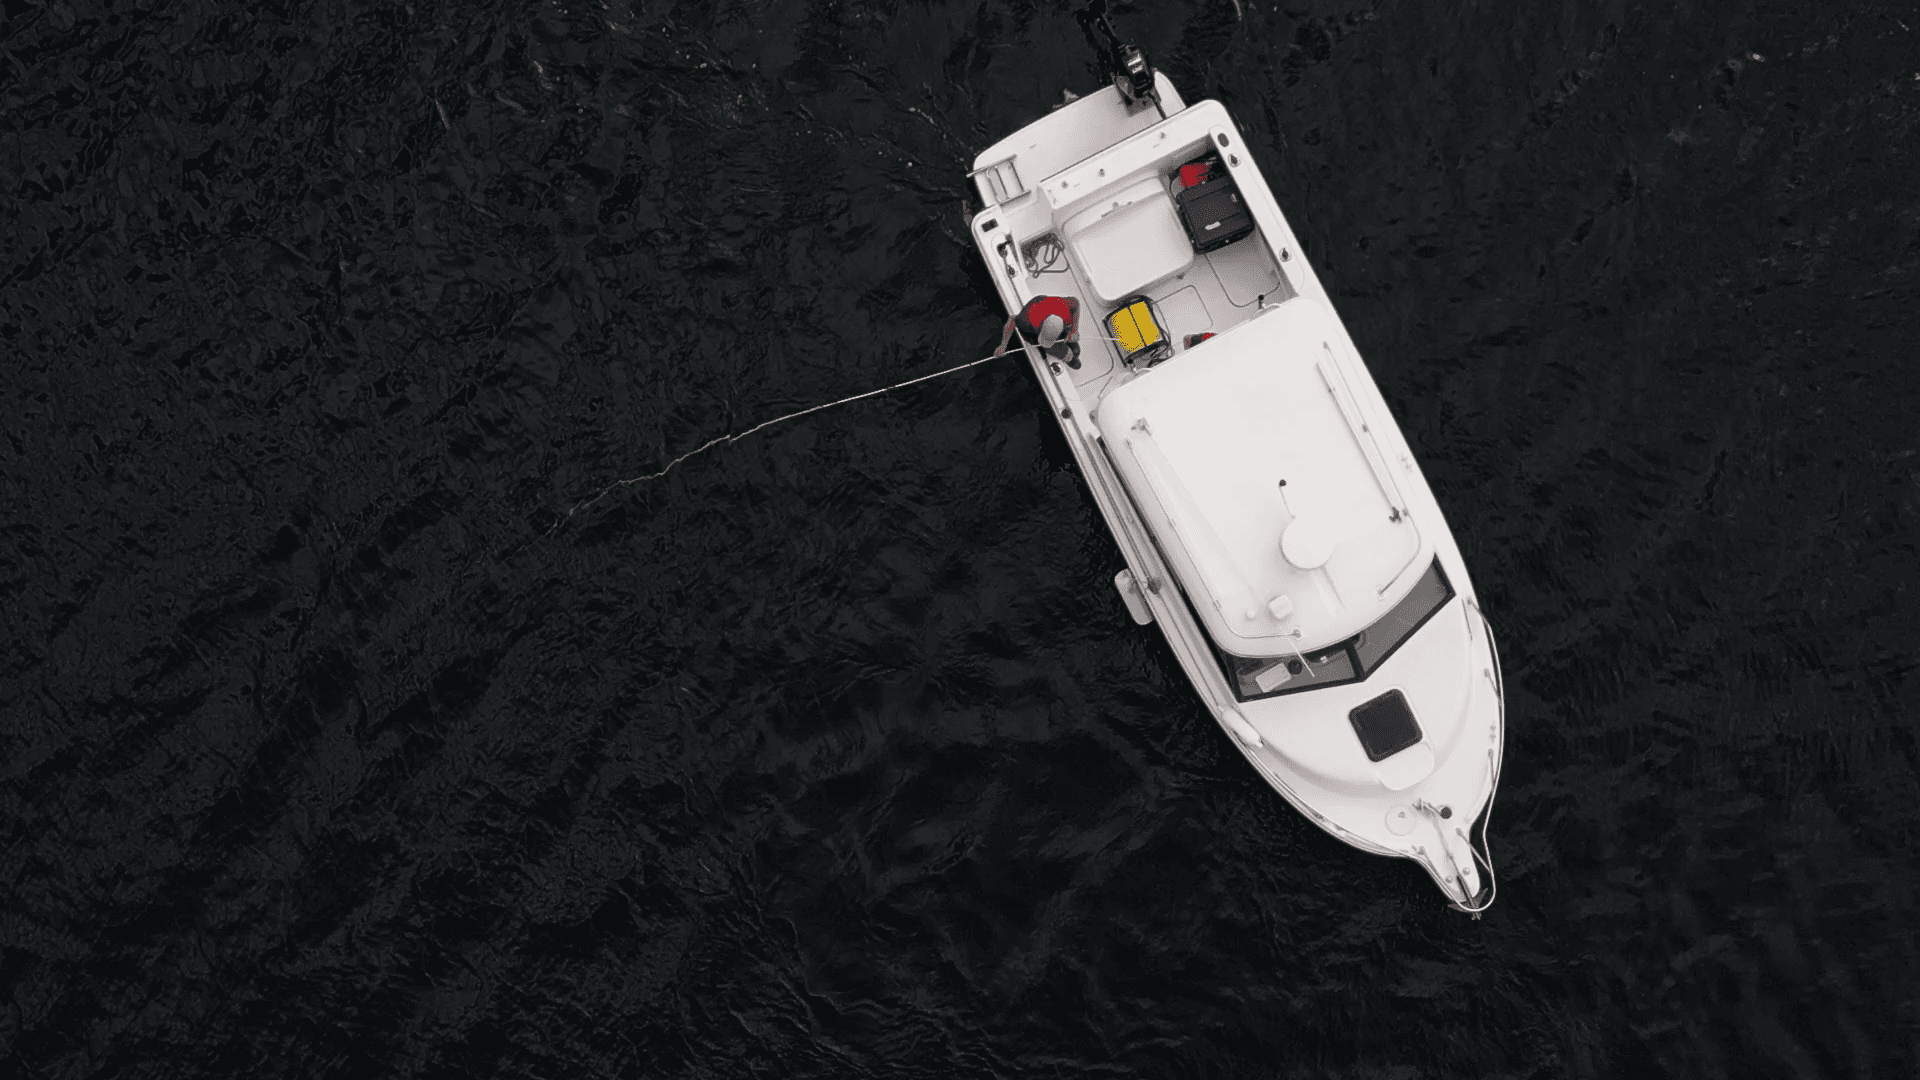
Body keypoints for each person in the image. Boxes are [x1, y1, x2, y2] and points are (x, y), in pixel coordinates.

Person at [995, 295, 1081, 368]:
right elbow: (1013, 320)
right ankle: (1068, 357)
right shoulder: (1025, 321)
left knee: (1076, 349)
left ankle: (1065, 337)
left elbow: (1075, 302)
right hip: (1039, 334)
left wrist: (1074, 331)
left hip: (1055, 323)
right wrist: (1003, 345)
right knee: (1069, 355)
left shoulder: (1064, 307)